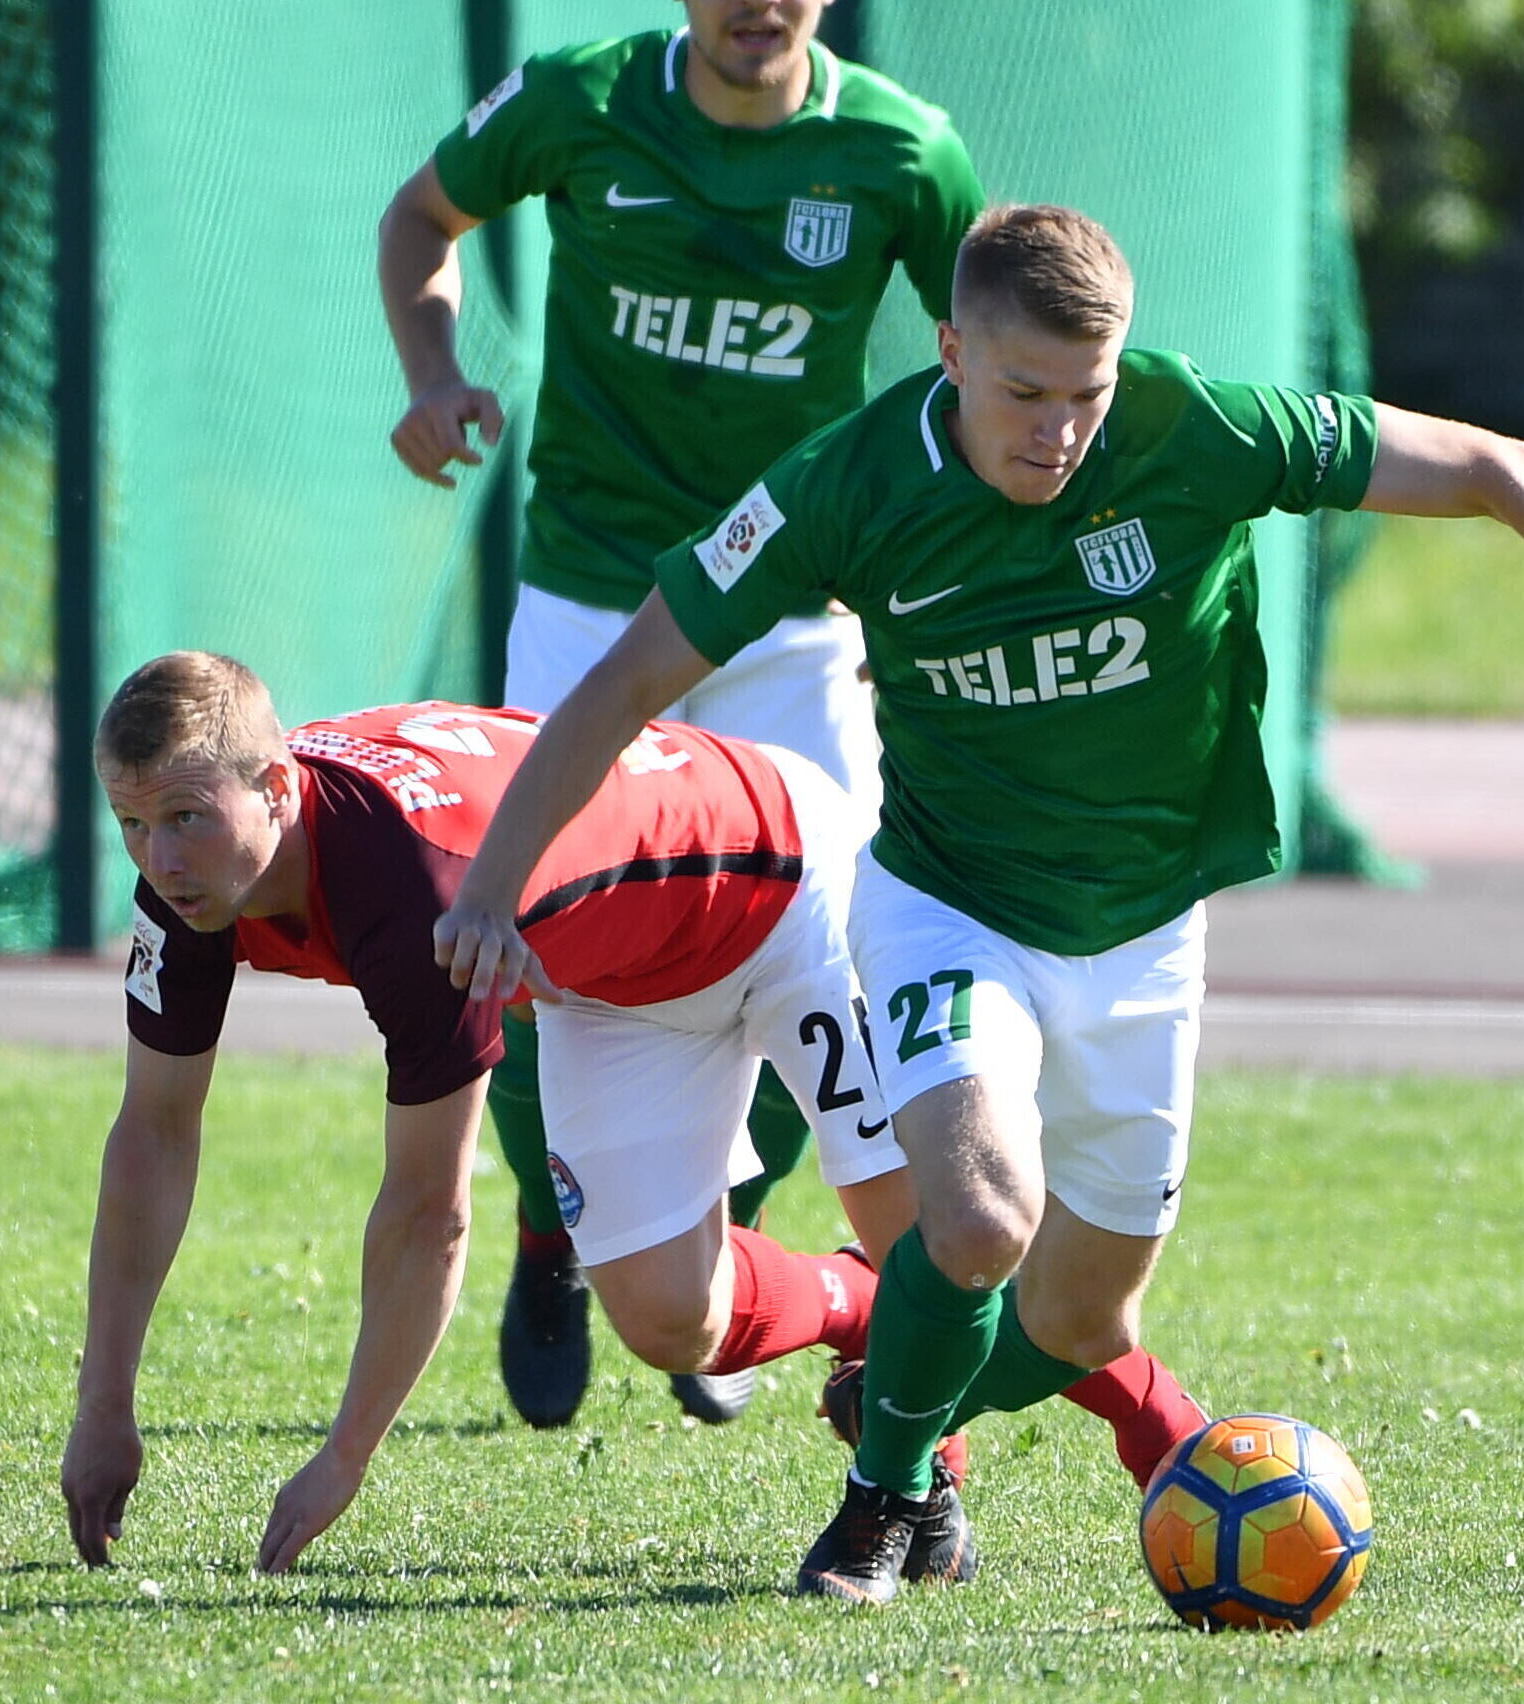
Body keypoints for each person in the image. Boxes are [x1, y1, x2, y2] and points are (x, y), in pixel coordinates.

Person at [430, 204, 1524, 1604]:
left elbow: (1493, 468)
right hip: (947, 909)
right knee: (979, 1219)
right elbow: (627, 678)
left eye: (1086, 394)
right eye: (1024, 393)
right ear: (950, 353)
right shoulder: (845, 484)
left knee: (1077, 1313)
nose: (1058, 430)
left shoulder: (1195, 432)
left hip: (1148, 933)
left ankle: (904, 1381)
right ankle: (883, 1504)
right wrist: (493, 886)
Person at [378, 0, 986, 1430]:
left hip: (794, 613)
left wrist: (931, 545)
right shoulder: (583, 100)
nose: (757, 5)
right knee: (519, 936)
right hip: (595, 601)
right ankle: (551, 1231)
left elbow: (991, 342)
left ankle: (725, 1237)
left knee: (837, 948)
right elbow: (418, 219)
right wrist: (431, 375)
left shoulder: (904, 153)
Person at [60, 651, 904, 1576]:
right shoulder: (191, 882)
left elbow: (431, 1211)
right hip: (619, 980)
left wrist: (345, 1455)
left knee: (938, 1240)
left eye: (186, 818)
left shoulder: (414, 890)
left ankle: (921, 1485)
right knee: (671, 1319)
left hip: (781, 876)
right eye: (132, 824)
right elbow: (153, 1132)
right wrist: (103, 1405)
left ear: (277, 788)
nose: (161, 859)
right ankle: (862, 1305)